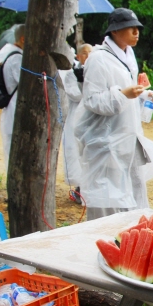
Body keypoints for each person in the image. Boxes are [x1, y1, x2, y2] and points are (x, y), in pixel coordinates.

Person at [74, 8, 153, 221]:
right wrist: (123, 94)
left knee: (132, 196)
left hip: (127, 138)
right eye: (131, 28)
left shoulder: (128, 56)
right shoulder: (98, 59)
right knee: (106, 201)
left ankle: (129, 246)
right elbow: (92, 99)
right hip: (105, 141)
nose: (136, 32)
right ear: (115, 31)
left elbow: (129, 93)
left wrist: (145, 95)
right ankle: (103, 247)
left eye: (137, 28)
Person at [62, 43, 93, 202]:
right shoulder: (71, 74)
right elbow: (75, 95)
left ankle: (90, 189)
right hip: (76, 118)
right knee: (76, 152)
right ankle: (80, 189)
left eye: (90, 53)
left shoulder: (96, 71)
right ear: (78, 56)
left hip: (92, 119)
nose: (88, 57)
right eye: (84, 54)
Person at [0, 23, 25, 172]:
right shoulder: (16, 59)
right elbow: (26, 84)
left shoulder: (11, 55)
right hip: (14, 113)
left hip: (12, 113)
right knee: (15, 157)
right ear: (24, 39)